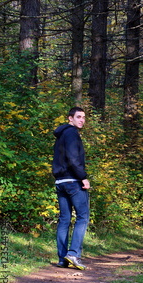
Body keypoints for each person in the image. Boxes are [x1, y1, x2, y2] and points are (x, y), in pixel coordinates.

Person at [52, 106, 90, 270]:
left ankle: (62, 259)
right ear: (70, 118)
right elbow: (73, 159)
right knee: (82, 217)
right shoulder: (72, 133)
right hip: (73, 181)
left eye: (83, 117)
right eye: (78, 117)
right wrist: (83, 177)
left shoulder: (61, 135)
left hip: (60, 181)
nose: (82, 120)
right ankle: (73, 254)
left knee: (65, 220)